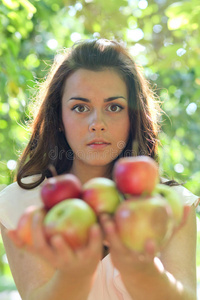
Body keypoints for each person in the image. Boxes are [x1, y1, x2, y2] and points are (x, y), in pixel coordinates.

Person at [0, 38, 199, 300]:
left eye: (114, 107)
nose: (97, 123)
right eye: (80, 108)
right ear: (59, 118)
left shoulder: (169, 204)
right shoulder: (20, 205)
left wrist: (142, 271)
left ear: (132, 117)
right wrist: (75, 276)